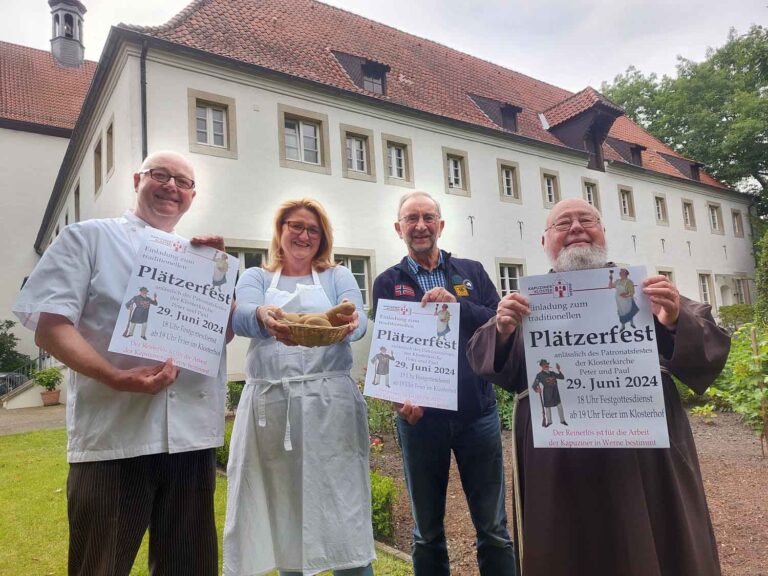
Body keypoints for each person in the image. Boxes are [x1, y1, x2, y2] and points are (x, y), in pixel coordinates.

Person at [467, 197, 730, 576]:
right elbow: (484, 360)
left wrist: (674, 318)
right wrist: (503, 329)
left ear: (603, 233)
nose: (576, 228)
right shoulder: (530, 304)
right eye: (563, 223)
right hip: (558, 467)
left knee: (651, 547)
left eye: (586, 220)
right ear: (545, 242)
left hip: (642, 462)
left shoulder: (641, 290)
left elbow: (710, 345)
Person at [13, 151, 230, 576]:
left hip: (189, 441)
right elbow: (50, 326)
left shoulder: (202, 257)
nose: (171, 186)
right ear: (137, 180)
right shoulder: (88, 237)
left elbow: (218, 335)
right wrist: (112, 375)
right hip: (115, 439)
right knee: (101, 566)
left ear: (191, 196)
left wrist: (216, 281)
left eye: (182, 182)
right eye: (160, 175)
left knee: (189, 568)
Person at [223, 198, 374, 576]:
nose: (303, 235)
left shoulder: (336, 276)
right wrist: (262, 315)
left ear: (322, 237)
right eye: (296, 225)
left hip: (330, 405)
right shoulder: (256, 277)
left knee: (343, 506)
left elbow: (357, 317)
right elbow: (241, 317)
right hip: (273, 408)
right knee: (283, 507)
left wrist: (351, 323)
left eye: (312, 229)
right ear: (281, 230)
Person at [372, 191, 517, 575]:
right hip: (420, 421)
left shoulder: (471, 271)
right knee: (427, 533)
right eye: (411, 219)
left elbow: (498, 320)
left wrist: (457, 304)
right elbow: (384, 348)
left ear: (440, 224)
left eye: (428, 217)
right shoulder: (388, 281)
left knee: (494, 529)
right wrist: (395, 401)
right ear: (398, 228)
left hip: (476, 414)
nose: (420, 225)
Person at [531, 359, 566, 427]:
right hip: (547, 393)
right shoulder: (539, 375)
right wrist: (537, 390)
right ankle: (549, 421)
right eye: (544, 365)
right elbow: (534, 385)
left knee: (559, 406)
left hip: (555, 393)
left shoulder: (552, 373)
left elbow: (562, 377)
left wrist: (559, 370)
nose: (546, 365)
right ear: (541, 366)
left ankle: (562, 420)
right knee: (547, 408)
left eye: (547, 364)